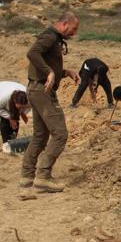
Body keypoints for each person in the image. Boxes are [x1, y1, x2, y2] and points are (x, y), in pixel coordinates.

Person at [20, 12, 79, 193]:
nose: (74, 33)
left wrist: (64, 72)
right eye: (73, 29)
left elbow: (46, 61)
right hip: (43, 91)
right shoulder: (50, 36)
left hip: (36, 89)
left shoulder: (54, 37)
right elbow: (32, 53)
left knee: (40, 136)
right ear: (64, 23)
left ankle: (26, 177)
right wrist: (49, 72)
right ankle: (43, 178)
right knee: (60, 134)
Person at [0, 82, 29, 153]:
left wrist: (23, 113)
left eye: (23, 107)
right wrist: (10, 118)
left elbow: (28, 107)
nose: (21, 109)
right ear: (14, 101)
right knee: (5, 120)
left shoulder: (29, 98)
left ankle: (13, 141)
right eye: (19, 107)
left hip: (11, 88)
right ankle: (6, 144)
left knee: (16, 118)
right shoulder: (1, 99)